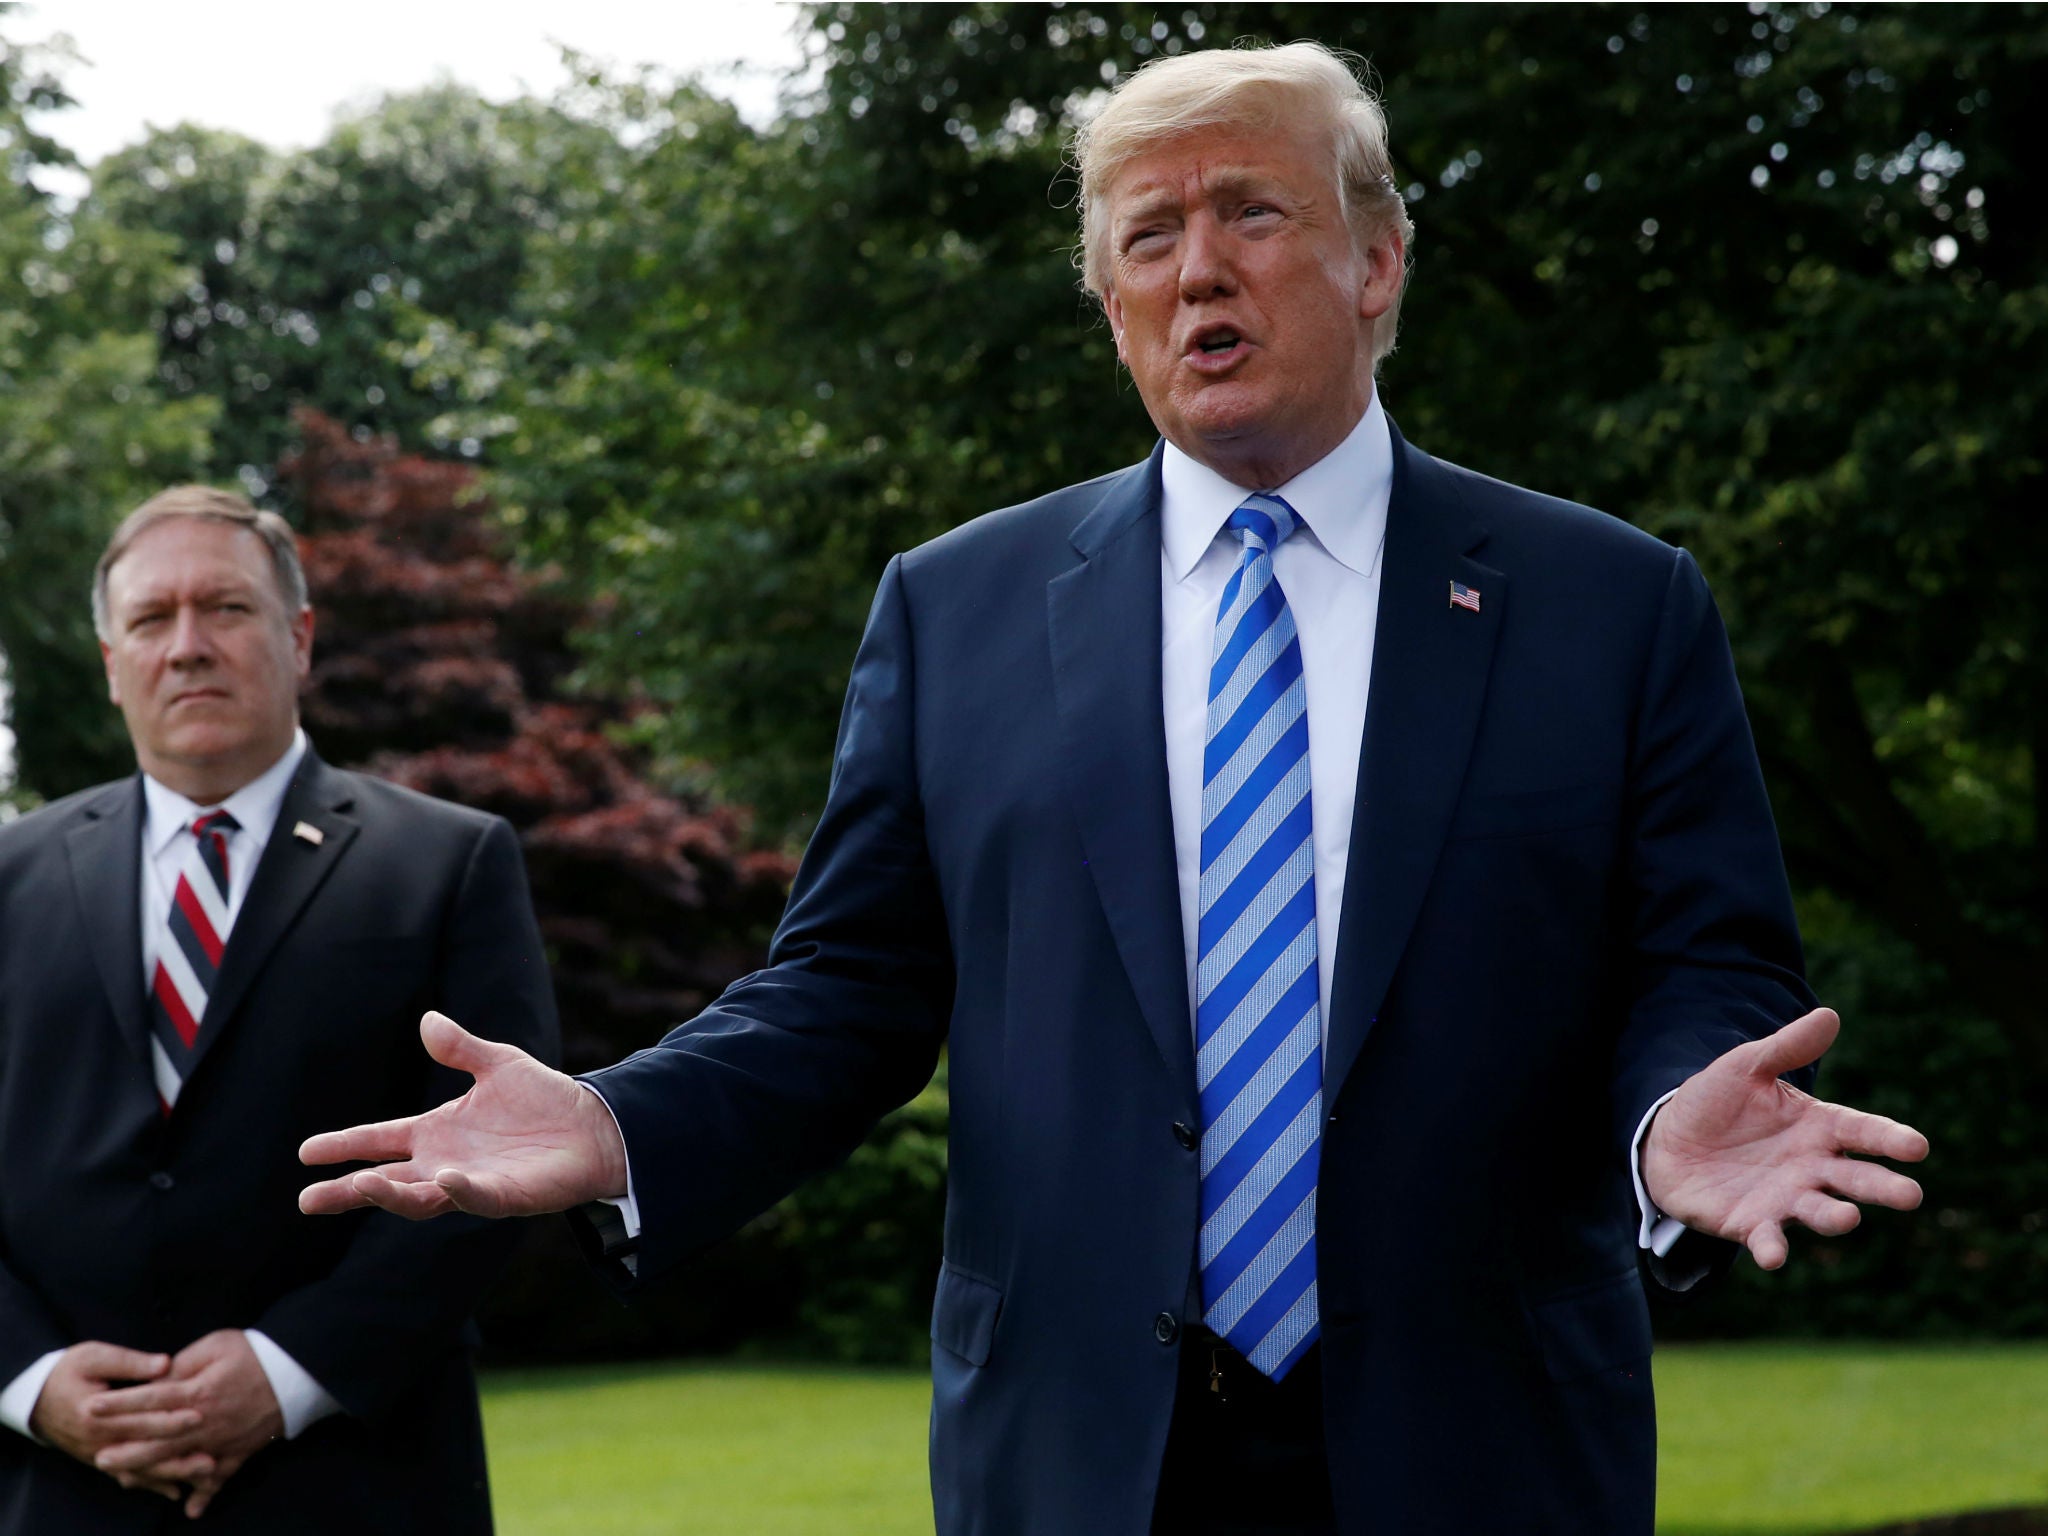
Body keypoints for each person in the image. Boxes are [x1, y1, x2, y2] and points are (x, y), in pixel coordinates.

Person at [300, 43, 1928, 1535]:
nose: (1197, 267)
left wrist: (1663, 1122)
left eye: (1250, 212)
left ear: (1377, 262)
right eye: (1145, 238)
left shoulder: (1610, 601)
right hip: (1078, 1454)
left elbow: (1703, 957)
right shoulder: (956, 611)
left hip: (1482, 1438)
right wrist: (615, 1117)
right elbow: (851, 987)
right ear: (1110, 309)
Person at [0, 486, 559, 1533]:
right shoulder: (8, 876)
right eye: (149, 620)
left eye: (226, 608)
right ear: (112, 663)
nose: (188, 646)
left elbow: (500, 1165)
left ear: (298, 637)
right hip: (57, 1488)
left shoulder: (447, 863)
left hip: (358, 1474)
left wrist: (289, 1369)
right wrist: (27, 1379)